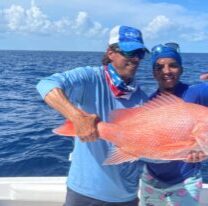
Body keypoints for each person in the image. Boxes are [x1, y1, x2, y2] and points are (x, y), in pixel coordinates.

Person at [36, 25, 149, 206]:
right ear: (110, 53)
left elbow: (146, 148)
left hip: (127, 196)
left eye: (140, 53)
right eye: (129, 52)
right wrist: (76, 117)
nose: (135, 59)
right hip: (86, 193)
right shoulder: (90, 78)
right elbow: (46, 84)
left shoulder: (142, 98)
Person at [138, 42, 208, 206]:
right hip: (150, 179)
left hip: (185, 182)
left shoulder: (195, 94)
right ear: (154, 73)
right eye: (159, 67)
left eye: (173, 65)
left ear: (181, 69)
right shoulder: (149, 103)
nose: (166, 71)